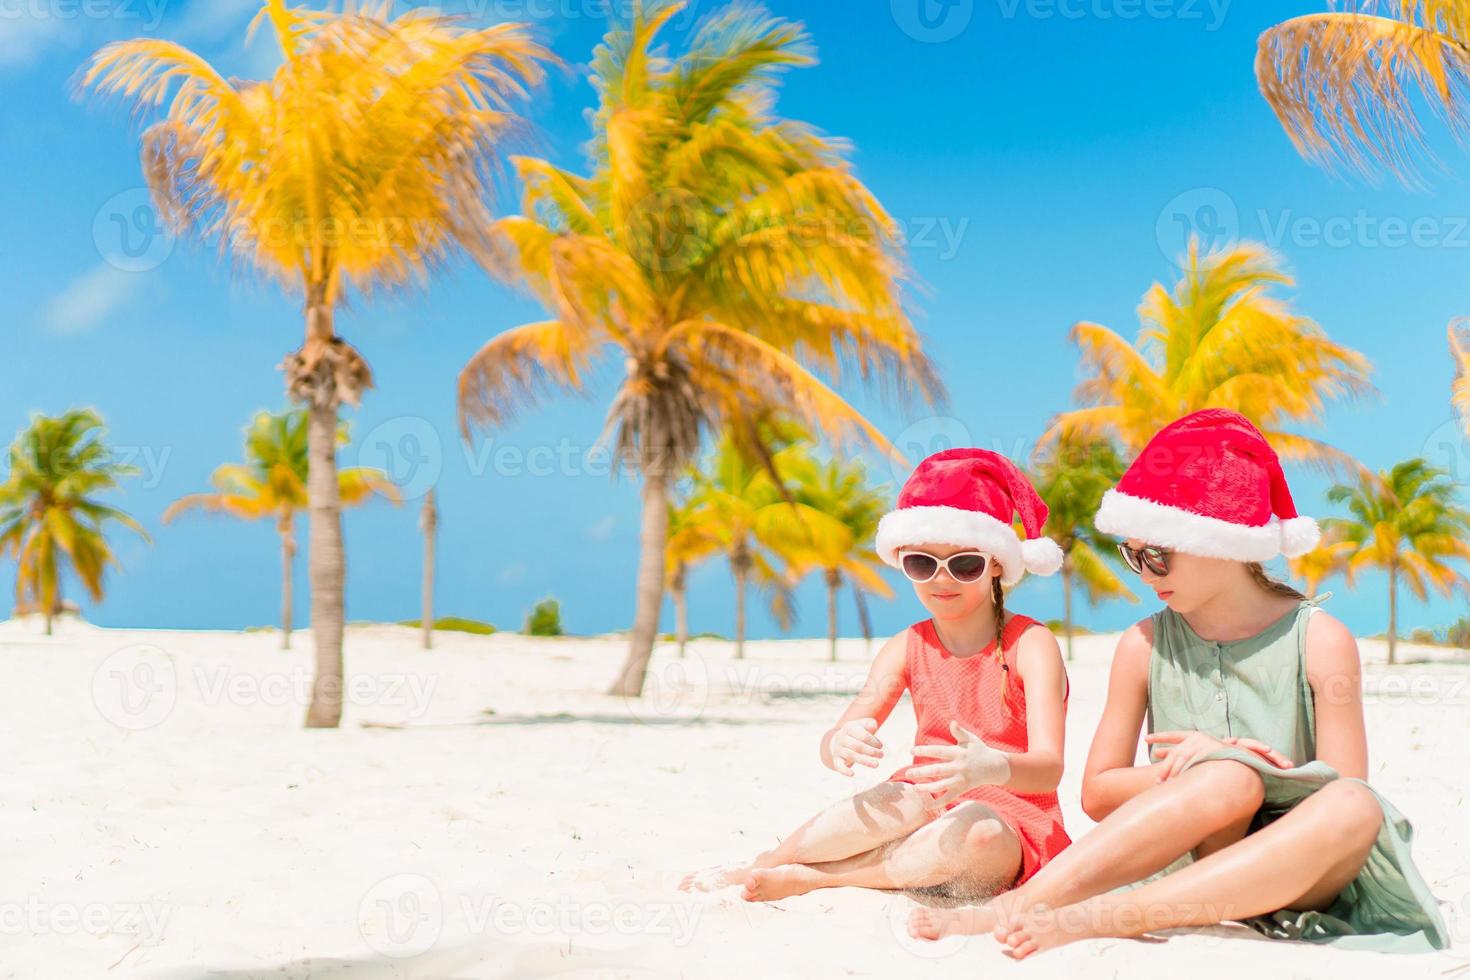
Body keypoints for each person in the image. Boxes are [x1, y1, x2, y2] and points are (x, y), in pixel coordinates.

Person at [909, 409, 1450, 956]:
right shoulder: (1144, 645)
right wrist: (1200, 766)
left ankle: (1110, 917)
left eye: (1158, 556)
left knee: (1356, 806)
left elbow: (1343, 786)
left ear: (1226, 543)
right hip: (1189, 860)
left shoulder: (1320, 639)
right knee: (1226, 780)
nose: (1144, 575)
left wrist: (1247, 763)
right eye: (1133, 556)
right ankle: (1022, 907)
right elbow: (1097, 793)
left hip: (1301, 869)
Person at [681, 448, 1072, 901]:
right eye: (922, 563)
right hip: (926, 800)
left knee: (977, 833)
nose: (941, 579)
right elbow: (848, 725)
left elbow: (1049, 770)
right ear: (903, 560)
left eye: (964, 564)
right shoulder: (907, 646)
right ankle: (765, 863)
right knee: (898, 799)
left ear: (998, 565)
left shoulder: (1031, 643)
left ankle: (820, 878)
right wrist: (838, 742)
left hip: (1012, 819)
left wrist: (993, 767)